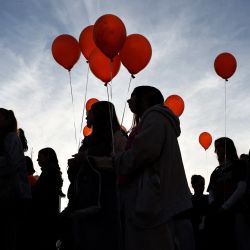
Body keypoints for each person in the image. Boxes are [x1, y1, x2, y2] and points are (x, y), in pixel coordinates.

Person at [114, 86, 194, 250]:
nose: (129, 101)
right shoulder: (155, 120)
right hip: (154, 201)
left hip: (154, 202)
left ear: (144, 99)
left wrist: (117, 161)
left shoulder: (155, 118)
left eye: (133, 97)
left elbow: (143, 152)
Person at [60, 101, 127, 250]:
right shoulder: (89, 139)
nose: (86, 115)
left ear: (100, 114)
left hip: (105, 201)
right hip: (82, 201)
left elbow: (122, 163)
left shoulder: (117, 136)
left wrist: (88, 159)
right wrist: (75, 165)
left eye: (90, 112)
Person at [205, 137, 249, 250]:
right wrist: (214, 205)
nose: (216, 151)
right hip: (219, 216)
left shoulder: (239, 166)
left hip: (237, 213)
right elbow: (211, 192)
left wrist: (225, 207)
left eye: (218, 147)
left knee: (240, 242)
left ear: (226, 148)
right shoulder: (216, 172)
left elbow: (242, 188)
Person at [0, 108, 31, 250]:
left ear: (7, 120)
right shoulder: (9, 138)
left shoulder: (11, 137)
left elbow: (12, 164)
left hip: (11, 194)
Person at [32, 147, 64, 250]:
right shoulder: (51, 171)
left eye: (40, 157)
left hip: (45, 217)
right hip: (49, 217)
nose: (37, 160)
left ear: (47, 157)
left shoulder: (49, 171)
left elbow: (40, 193)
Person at [190, 175, 208, 250]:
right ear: (193, 186)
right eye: (200, 184)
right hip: (194, 233)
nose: (203, 187)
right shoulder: (189, 201)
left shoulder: (208, 198)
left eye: (203, 185)